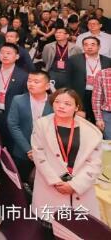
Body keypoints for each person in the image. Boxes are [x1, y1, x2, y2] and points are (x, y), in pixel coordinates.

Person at [31, 88, 103, 236]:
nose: (61, 106)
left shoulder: (91, 131)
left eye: (67, 104)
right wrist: (56, 181)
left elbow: (94, 163)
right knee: (49, 229)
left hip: (79, 191)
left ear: (76, 107)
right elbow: (39, 156)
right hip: (50, 187)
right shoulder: (42, 125)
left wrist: (75, 185)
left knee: (77, 231)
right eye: (57, 102)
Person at [7, 69, 54, 182]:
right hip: (23, 150)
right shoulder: (18, 100)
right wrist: (28, 150)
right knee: (22, 182)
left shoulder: (54, 103)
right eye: (29, 81)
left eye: (36, 82)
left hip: (48, 152)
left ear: (47, 86)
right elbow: (13, 125)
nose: (31, 84)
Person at [0, 43, 29, 150]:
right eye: (2, 53)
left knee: (9, 144)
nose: (5, 55)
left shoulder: (23, 75)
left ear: (17, 56)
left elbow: (24, 98)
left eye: (8, 53)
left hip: (11, 115)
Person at [65, 35, 111, 122]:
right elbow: (67, 77)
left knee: (98, 119)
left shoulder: (107, 61)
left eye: (93, 44)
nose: (89, 47)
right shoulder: (73, 59)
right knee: (81, 119)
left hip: (100, 94)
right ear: (83, 47)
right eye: (86, 44)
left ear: (99, 46)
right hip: (81, 93)